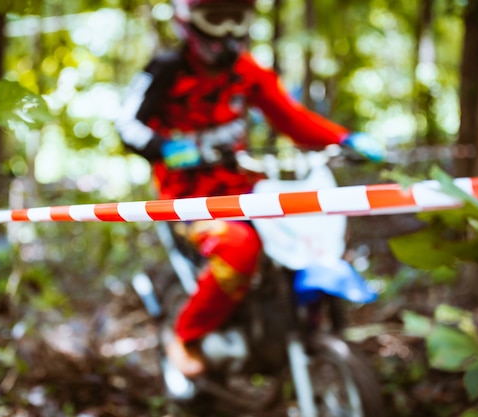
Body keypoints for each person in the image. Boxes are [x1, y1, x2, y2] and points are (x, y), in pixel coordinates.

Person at [115, 0, 385, 378]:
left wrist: (344, 139)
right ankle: (185, 336)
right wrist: (164, 148)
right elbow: (126, 124)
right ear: (189, 21)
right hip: (187, 202)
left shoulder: (247, 72)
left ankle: (290, 332)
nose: (226, 30)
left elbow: (291, 118)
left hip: (246, 192)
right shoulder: (165, 69)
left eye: (235, 17)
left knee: (307, 228)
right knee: (238, 248)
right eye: (215, 17)